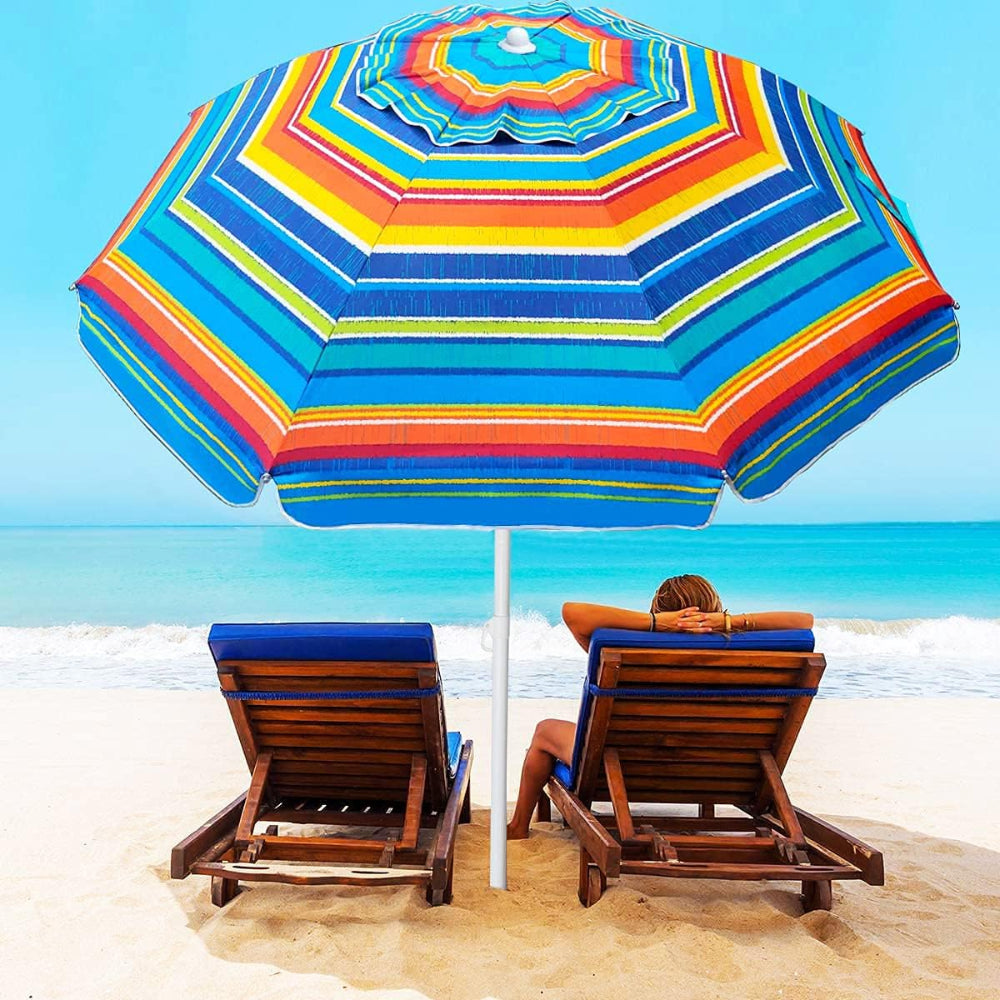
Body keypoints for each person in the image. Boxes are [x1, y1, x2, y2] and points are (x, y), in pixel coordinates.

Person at [506, 574, 814, 840]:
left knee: (545, 731)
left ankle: (519, 827)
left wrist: (655, 624)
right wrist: (730, 623)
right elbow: (804, 622)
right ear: (717, 608)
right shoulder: (750, 653)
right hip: (722, 764)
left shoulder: (631, 648)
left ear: (659, 611)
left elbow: (572, 612)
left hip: (623, 764)